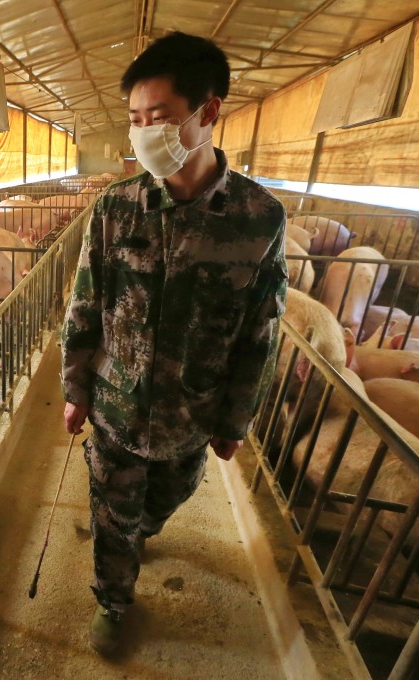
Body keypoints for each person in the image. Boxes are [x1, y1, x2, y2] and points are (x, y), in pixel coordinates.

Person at [60, 31, 287, 656]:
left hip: (194, 414)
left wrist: (235, 417)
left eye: (157, 118)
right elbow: (85, 305)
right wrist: (75, 388)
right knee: (113, 516)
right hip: (116, 406)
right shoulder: (115, 209)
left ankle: (143, 528)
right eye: (134, 121)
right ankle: (113, 599)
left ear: (207, 111)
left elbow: (260, 331)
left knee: (167, 499)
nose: (142, 134)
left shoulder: (258, 218)